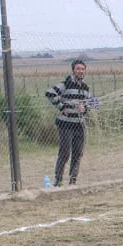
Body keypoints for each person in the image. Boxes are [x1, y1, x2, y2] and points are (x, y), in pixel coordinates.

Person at [45, 59, 95, 187]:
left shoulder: (85, 88)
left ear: (85, 71)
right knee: (65, 153)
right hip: (65, 125)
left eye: (82, 69)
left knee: (78, 154)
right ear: (73, 70)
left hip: (79, 125)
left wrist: (85, 109)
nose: (80, 71)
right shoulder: (66, 84)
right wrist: (62, 107)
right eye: (78, 69)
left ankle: (73, 181)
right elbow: (50, 93)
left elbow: (89, 104)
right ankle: (58, 181)